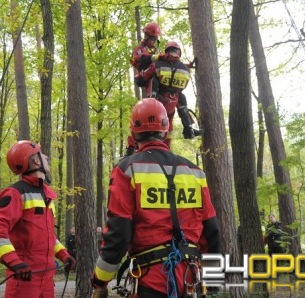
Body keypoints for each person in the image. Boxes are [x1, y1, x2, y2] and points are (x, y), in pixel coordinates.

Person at [91, 98, 221, 298]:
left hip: (151, 282)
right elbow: (211, 231)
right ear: (166, 130)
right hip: (189, 280)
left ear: (133, 133)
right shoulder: (195, 172)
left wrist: (100, 280)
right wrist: (212, 281)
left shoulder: (127, 170)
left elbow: (119, 234)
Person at [0, 140, 76, 298]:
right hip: (24, 280)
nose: (46, 157)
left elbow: (47, 236)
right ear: (36, 160)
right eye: (42, 154)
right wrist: (13, 261)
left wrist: (63, 254)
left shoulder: (46, 195)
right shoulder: (15, 193)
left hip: (47, 281)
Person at [135, 40, 201, 148]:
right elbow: (182, 84)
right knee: (169, 125)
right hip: (172, 104)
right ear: (178, 53)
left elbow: (141, 81)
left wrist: (140, 75)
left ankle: (136, 148)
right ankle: (188, 128)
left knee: (146, 126)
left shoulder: (157, 65)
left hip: (156, 106)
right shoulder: (186, 70)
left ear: (166, 52)